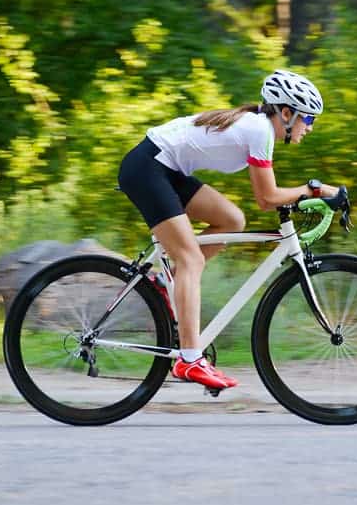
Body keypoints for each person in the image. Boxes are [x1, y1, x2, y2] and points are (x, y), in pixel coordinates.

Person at [117, 70, 339, 390]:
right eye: (308, 118)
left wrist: (309, 193)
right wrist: (314, 190)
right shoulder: (260, 130)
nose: (310, 127)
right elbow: (267, 199)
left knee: (232, 220)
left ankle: (167, 282)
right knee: (191, 259)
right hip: (148, 169)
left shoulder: (258, 126)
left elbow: (266, 198)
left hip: (164, 168)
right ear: (286, 113)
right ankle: (189, 359)